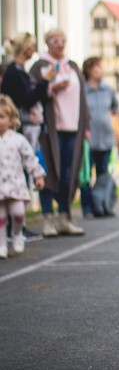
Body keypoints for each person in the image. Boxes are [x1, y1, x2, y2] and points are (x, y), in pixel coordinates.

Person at [29, 29, 88, 237]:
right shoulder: (39, 67)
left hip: (73, 127)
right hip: (50, 131)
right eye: (55, 41)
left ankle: (65, 215)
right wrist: (52, 88)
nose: (60, 44)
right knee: (48, 172)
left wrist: (86, 126)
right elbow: (33, 96)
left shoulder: (72, 67)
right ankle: (48, 218)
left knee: (68, 173)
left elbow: (83, 98)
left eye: (63, 40)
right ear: (47, 43)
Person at [0, 95, 46, 258]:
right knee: (1, 218)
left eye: (2, 117)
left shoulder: (18, 140)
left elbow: (30, 158)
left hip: (15, 185)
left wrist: (38, 175)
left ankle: (17, 234)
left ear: (11, 120)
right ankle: (2, 244)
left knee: (18, 213)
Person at [81, 57, 119, 218]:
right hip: (88, 139)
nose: (101, 71)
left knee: (103, 174)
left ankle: (102, 206)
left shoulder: (108, 90)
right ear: (89, 70)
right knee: (86, 175)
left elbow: (115, 108)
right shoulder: (82, 90)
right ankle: (88, 208)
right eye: (98, 67)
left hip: (105, 138)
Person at [2, 32, 50, 150]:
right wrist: (45, 81)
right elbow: (28, 99)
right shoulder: (15, 72)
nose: (34, 49)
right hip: (20, 126)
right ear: (25, 47)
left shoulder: (19, 70)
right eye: (33, 45)